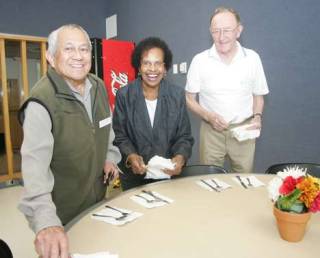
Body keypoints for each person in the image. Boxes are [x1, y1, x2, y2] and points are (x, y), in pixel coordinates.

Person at [18, 24, 121, 258]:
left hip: (96, 199)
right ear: (51, 57)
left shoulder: (98, 86)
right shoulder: (40, 102)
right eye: (69, 49)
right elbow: (35, 170)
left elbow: (107, 131)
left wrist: (109, 158)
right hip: (61, 211)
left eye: (84, 49)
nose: (78, 56)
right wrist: (47, 223)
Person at [185, 7, 269, 173]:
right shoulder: (199, 60)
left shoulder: (252, 58)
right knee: (209, 180)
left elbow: (258, 96)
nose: (221, 37)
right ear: (210, 32)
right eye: (216, 31)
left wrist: (257, 117)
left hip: (243, 131)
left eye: (227, 30)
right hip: (211, 132)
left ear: (239, 31)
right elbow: (189, 99)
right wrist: (208, 116)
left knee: (244, 179)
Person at [113, 37, 194, 190]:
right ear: (138, 67)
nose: (152, 69)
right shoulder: (124, 95)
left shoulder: (176, 95)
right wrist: (131, 156)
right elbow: (119, 135)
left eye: (158, 63)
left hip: (168, 176)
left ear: (165, 68)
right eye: (146, 63)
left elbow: (184, 136)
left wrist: (180, 157)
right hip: (134, 177)